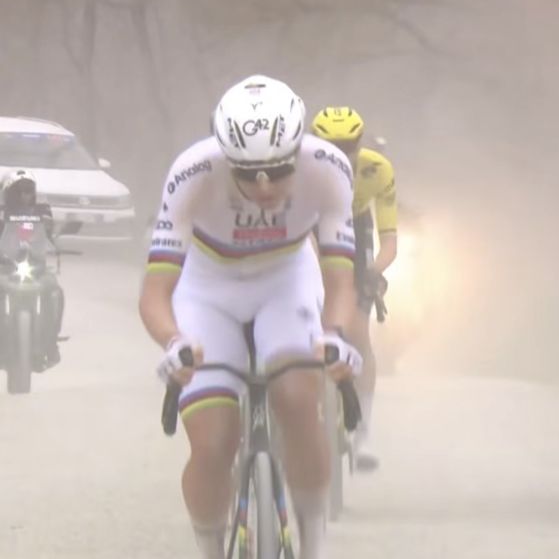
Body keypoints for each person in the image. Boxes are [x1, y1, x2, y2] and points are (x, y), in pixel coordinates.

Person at [139, 75, 362, 559]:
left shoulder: (329, 168)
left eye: (279, 171)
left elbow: (341, 278)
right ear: (224, 157)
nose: (264, 187)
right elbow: (156, 292)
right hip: (207, 289)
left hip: (286, 281)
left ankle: (314, 546)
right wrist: (172, 341)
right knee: (213, 441)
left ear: (299, 150)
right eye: (248, 174)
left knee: (300, 403)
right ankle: (211, 549)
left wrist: (338, 337)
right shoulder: (191, 173)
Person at [310, 107, 398, 471]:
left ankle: (363, 430)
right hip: (309, 229)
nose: (341, 152)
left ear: (360, 143)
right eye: (332, 145)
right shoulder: (300, 166)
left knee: (359, 334)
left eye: (349, 145)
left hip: (354, 231)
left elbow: (389, 240)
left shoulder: (376, 170)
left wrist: (373, 273)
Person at [0, 169, 62, 369]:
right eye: (19, 191)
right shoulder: (1, 211)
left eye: (28, 190)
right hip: (4, 267)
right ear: (9, 193)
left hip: (36, 267)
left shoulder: (42, 210)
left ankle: (50, 343)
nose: (24, 195)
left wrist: (51, 232)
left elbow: (49, 233)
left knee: (55, 292)